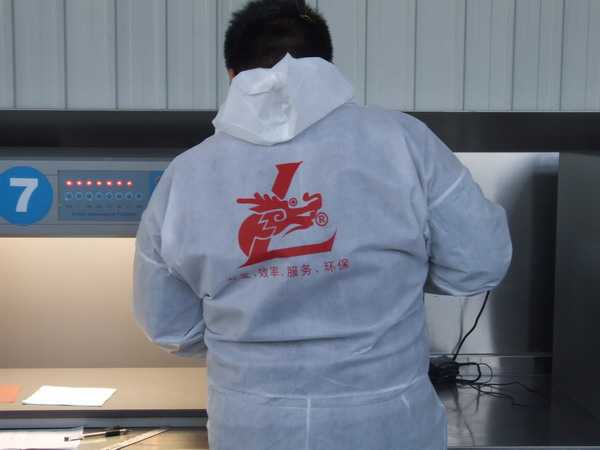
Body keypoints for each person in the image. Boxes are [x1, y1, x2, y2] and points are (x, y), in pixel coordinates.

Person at [133, 1, 512, 449]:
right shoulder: (403, 142)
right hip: (387, 423)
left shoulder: (188, 174)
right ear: (327, 67)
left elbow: (169, 326)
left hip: (253, 425)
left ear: (233, 76)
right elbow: (481, 262)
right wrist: (400, 274)